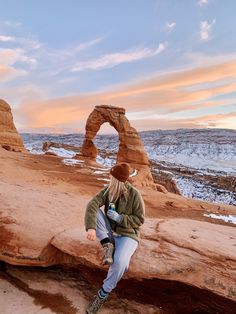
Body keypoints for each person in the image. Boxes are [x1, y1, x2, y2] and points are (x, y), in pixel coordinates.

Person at [85, 163, 145, 314]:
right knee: (95, 210)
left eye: (111, 177)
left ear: (118, 179)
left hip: (127, 235)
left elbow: (139, 220)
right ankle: (107, 245)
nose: (109, 178)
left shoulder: (135, 195)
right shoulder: (108, 190)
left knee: (120, 262)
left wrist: (120, 218)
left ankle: (101, 295)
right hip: (110, 233)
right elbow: (92, 204)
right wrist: (91, 227)